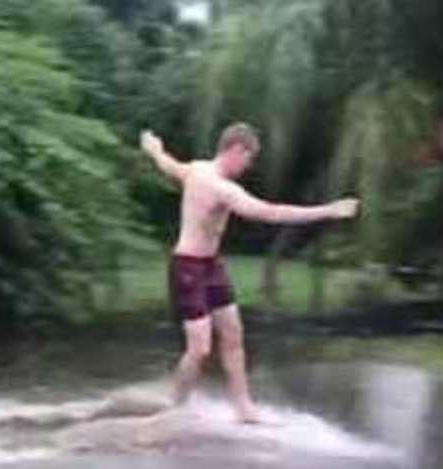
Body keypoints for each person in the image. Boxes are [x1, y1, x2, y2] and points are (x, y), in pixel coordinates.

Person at [140, 123, 359, 423]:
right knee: (200, 348)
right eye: (248, 158)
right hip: (187, 267)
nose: (248, 166)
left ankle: (243, 408)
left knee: (232, 334)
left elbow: (169, 165)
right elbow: (271, 212)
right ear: (236, 150)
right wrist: (328, 211)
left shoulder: (195, 170)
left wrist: (154, 149)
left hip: (211, 266)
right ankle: (174, 407)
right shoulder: (220, 187)